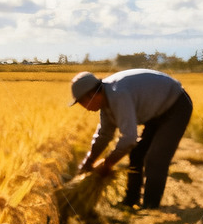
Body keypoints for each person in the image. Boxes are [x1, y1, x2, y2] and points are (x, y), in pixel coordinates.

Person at [69, 68, 193, 209]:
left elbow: (129, 138)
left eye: (82, 102)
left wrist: (107, 163)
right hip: (156, 113)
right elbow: (104, 135)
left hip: (176, 105)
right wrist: (89, 161)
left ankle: (150, 207)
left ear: (92, 94)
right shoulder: (105, 101)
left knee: (156, 158)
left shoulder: (117, 94)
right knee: (137, 153)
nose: (84, 108)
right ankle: (130, 201)